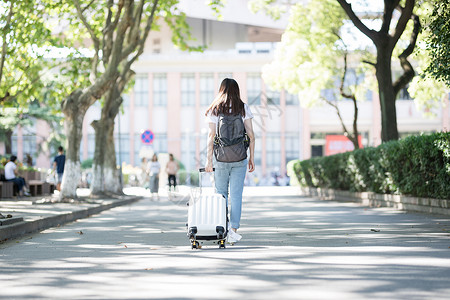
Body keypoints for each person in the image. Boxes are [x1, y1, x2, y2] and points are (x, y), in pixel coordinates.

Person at [205, 78, 255, 244]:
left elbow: (211, 136)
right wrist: (252, 157)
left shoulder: (215, 109)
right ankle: (233, 231)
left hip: (220, 158)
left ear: (221, 90)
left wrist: (208, 161)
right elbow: (251, 135)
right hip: (240, 157)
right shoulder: (243, 108)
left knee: (221, 195)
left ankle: (222, 228)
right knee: (236, 195)